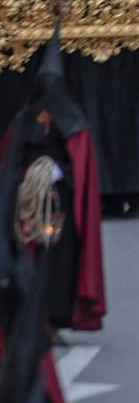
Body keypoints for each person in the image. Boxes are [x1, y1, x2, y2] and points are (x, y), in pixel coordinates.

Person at [0, 20, 106, 335]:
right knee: (31, 261)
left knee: (58, 270)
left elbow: (82, 173)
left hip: (61, 209)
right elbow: (9, 165)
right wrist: (26, 180)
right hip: (28, 208)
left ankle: (53, 320)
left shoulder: (74, 127)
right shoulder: (21, 124)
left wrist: (58, 173)